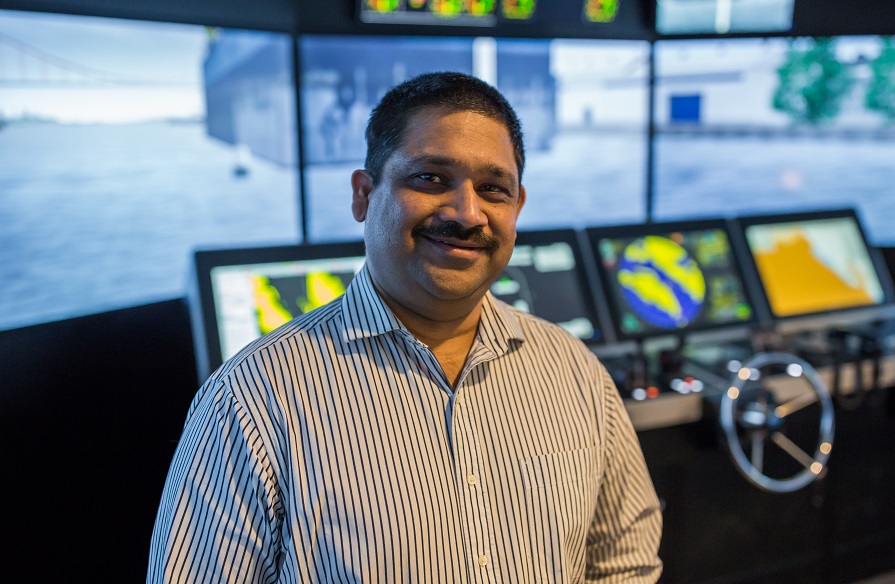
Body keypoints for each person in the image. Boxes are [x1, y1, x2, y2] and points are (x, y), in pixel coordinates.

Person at [148, 71, 662, 583]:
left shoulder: (573, 370)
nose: (466, 213)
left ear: (517, 207)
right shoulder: (251, 399)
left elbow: (624, 558)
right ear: (363, 195)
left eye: (492, 189)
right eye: (430, 178)